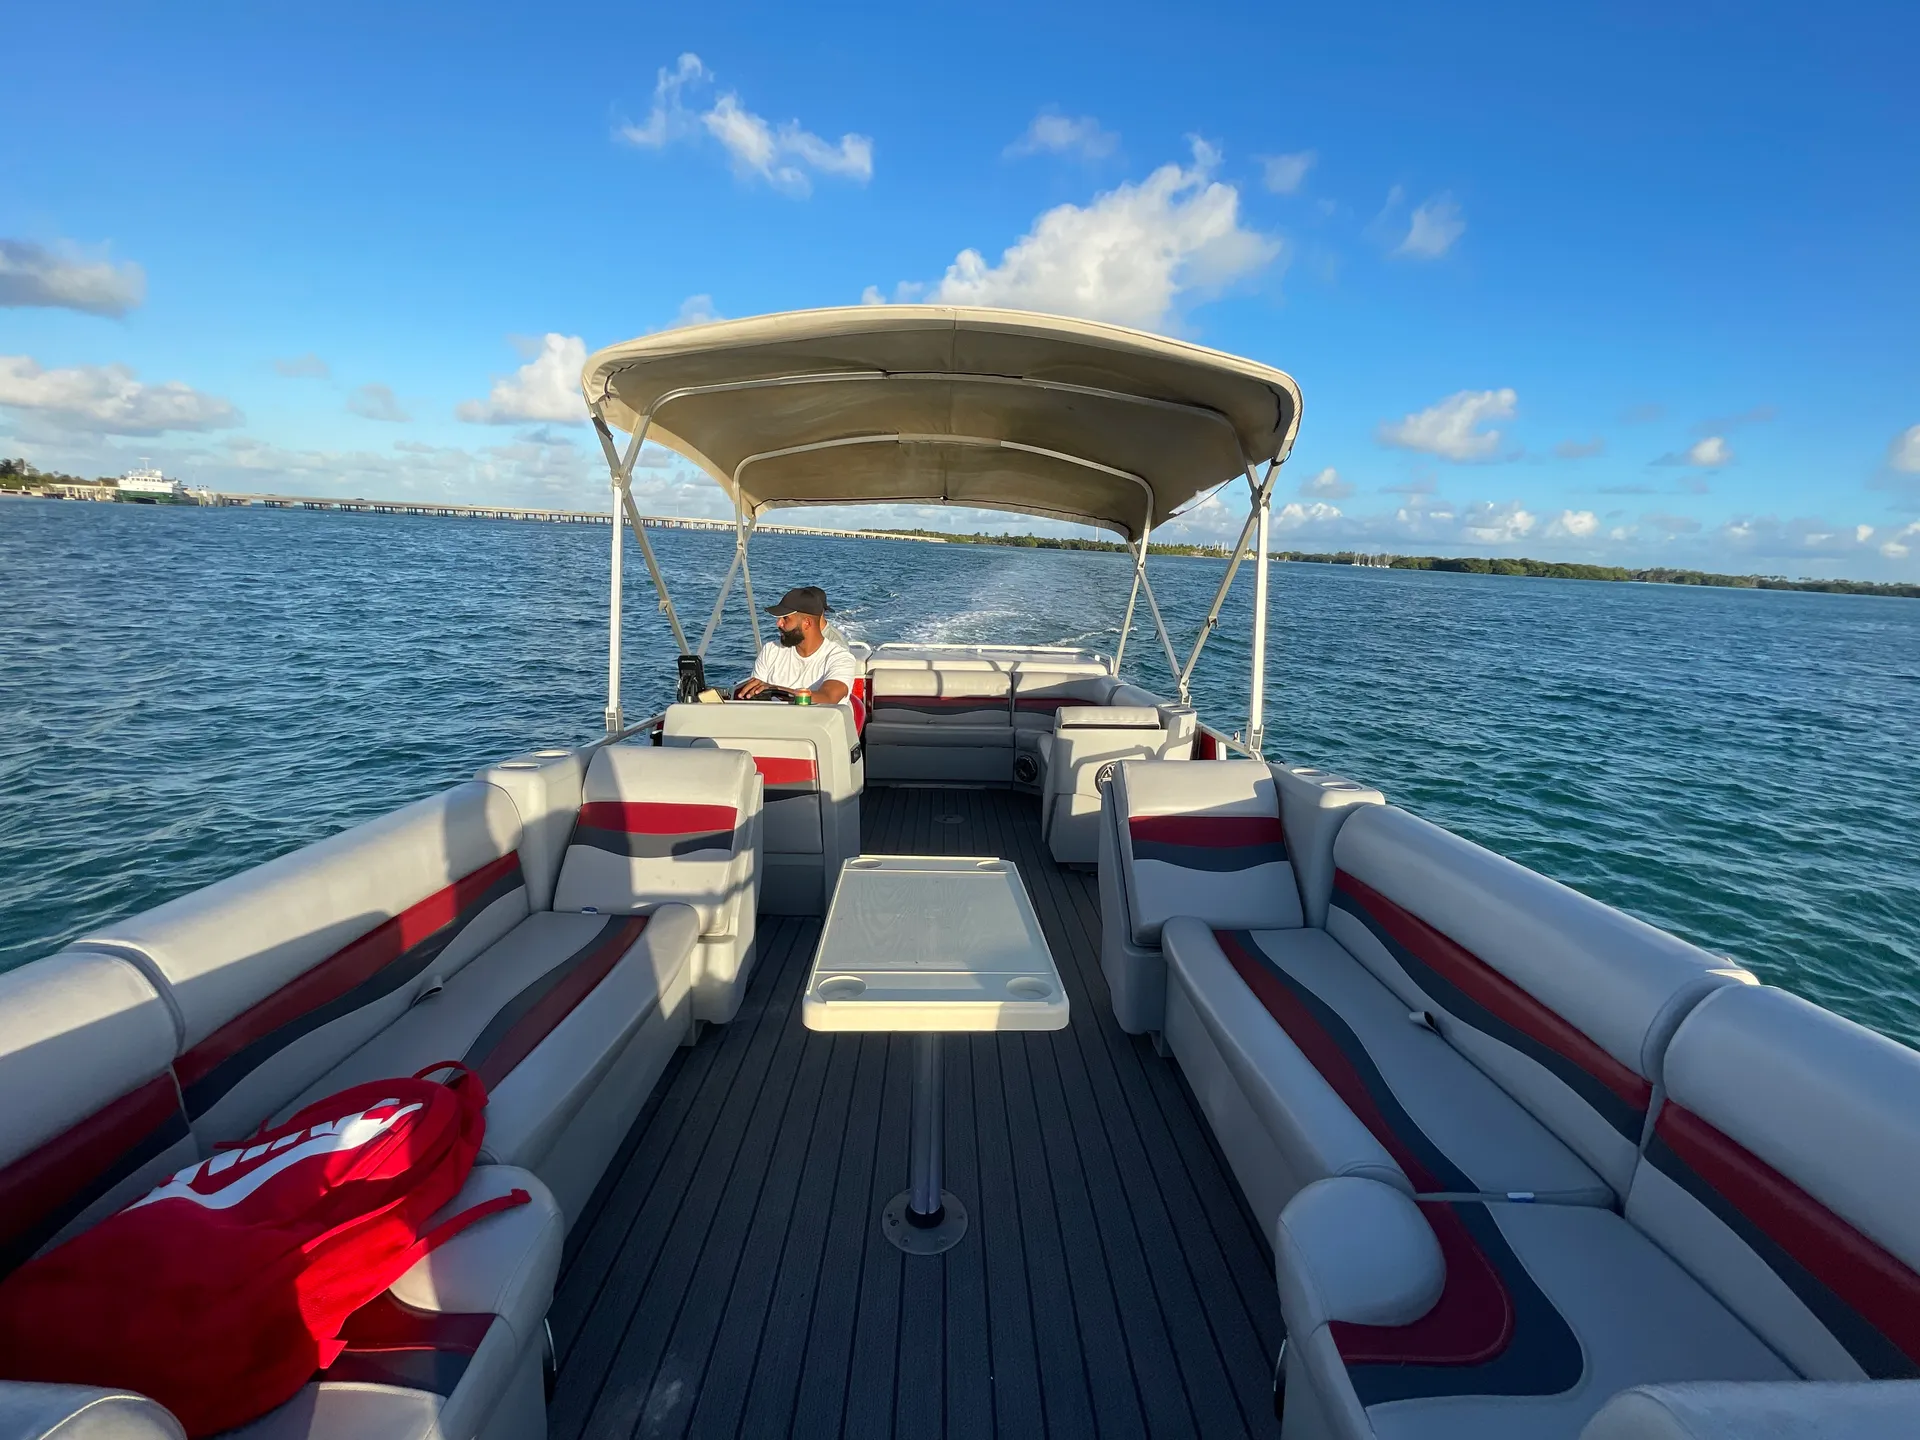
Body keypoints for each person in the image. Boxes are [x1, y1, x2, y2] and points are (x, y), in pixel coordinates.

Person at [737, 585, 856, 706]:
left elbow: (828, 698)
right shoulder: (770, 650)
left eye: (785, 618)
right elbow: (755, 696)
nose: (778, 623)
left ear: (807, 623)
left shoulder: (840, 658)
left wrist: (775, 690)